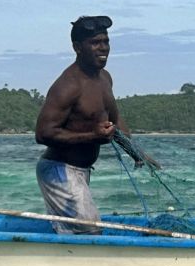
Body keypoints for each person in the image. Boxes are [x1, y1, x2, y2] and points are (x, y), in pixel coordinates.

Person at [35, 15, 152, 233]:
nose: (103, 48)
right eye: (95, 43)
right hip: (59, 170)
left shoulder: (105, 78)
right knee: (90, 230)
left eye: (106, 42)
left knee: (73, 232)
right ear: (77, 47)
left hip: (82, 171)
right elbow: (42, 134)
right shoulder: (68, 85)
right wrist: (92, 136)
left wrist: (136, 153)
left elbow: (114, 121)